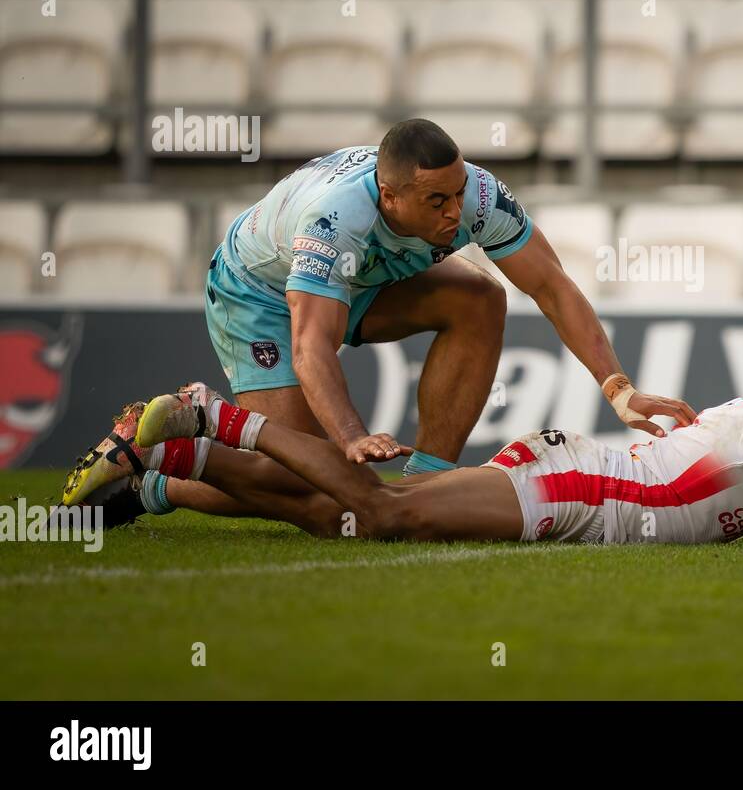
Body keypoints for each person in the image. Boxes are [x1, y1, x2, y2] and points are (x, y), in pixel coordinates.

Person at [62, 119, 695, 521]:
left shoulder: (474, 195)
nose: (455, 215)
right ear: (389, 196)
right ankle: (157, 464)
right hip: (260, 292)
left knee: (479, 298)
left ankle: (427, 488)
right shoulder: (337, 220)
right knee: (316, 492)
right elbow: (312, 344)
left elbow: (553, 287)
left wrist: (619, 388)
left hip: (361, 280)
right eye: (435, 201)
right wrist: (350, 438)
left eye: (457, 193)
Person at [72, 326, 743, 546]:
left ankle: (166, 471)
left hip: (576, 487)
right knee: (378, 514)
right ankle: (213, 412)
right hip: (573, 491)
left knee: (330, 515)